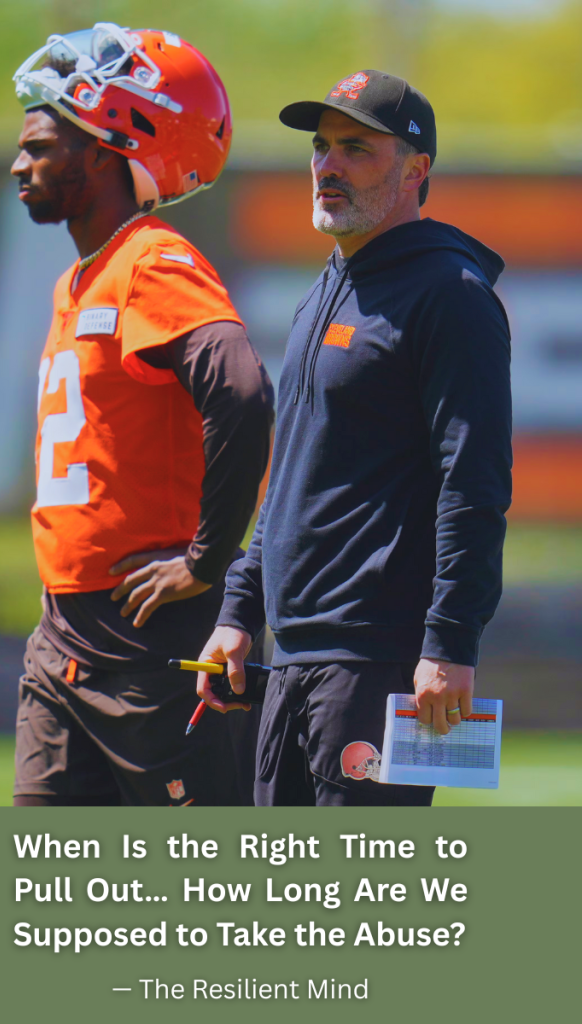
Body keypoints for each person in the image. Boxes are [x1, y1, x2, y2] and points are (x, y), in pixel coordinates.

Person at [198, 70, 512, 806]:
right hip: (291, 658)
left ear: (416, 169)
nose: (327, 166)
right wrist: (239, 614)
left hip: (379, 666)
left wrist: (448, 644)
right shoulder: (330, 286)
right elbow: (291, 478)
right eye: (320, 147)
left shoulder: (450, 295)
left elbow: (473, 482)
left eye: (356, 150)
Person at [10, 24, 273, 807]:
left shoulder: (150, 259)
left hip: (149, 639)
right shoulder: (80, 279)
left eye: (41, 144)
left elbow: (242, 390)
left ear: (102, 149)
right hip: (63, 633)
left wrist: (205, 560)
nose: (20, 164)